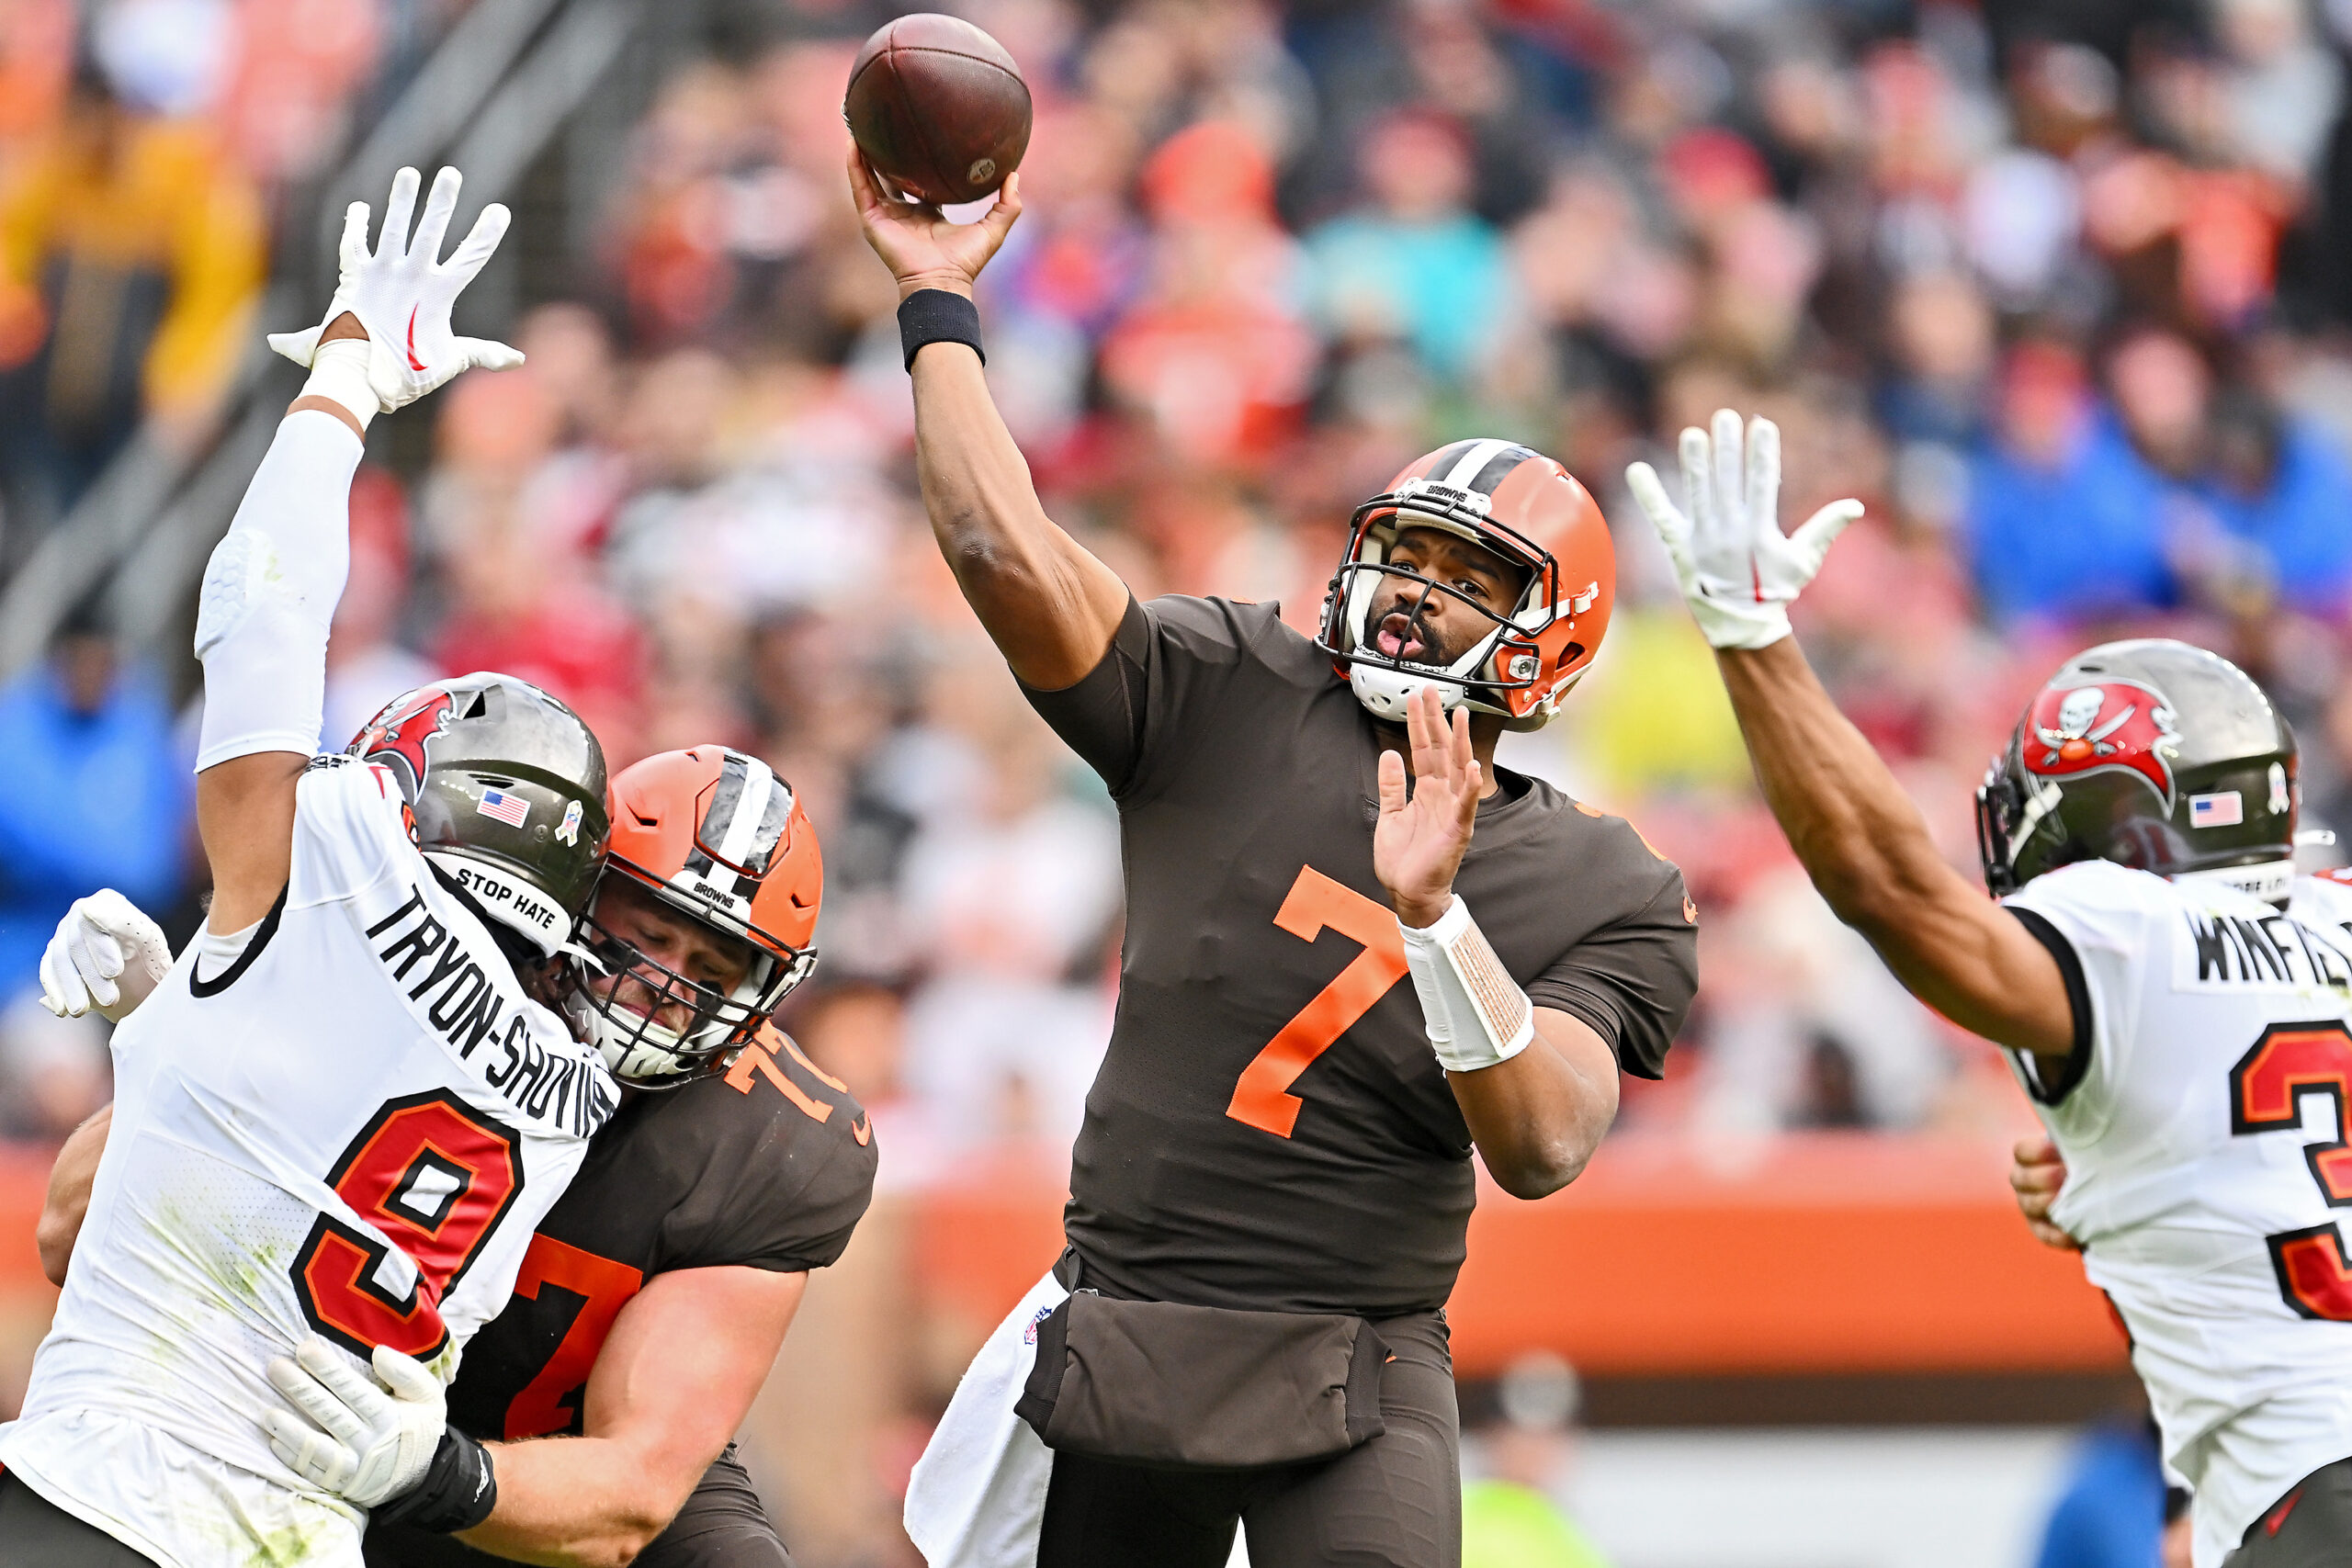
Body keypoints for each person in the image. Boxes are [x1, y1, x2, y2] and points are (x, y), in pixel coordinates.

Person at [851, 147, 1697, 1568]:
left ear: (1551, 634)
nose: (1420, 598)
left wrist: (1439, 923)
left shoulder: (1607, 881)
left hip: (1356, 1357)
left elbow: (1548, 1141)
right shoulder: (1230, 688)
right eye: (1413, 555)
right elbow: (1004, 549)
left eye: (1473, 581)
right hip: (1131, 1319)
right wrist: (938, 301)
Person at [0, 166, 622, 1567]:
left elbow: (259, 614)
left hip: (99, 1506)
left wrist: (344, 379)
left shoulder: (327, 873)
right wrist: (183, 1013)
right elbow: (303, 1124)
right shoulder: (568, 1100)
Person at [1625, 408, 2352, 1568]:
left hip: (2310, 1485)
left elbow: (1887, 886)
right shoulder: (2332, 916)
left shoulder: (2121, 931)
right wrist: (2143, 1155)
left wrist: (1747, 632)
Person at [38, 745, 876, 1568]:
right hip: (323, 1413)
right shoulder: (432, 974)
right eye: (649, 933)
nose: (663, 984)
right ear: (585, 889)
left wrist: (440, 1470)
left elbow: (637, 1483)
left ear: (759, 998)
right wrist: (183, 1038)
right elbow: (66, 1235)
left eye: (710, 968)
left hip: (554, 1452)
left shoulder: (773, 1142)